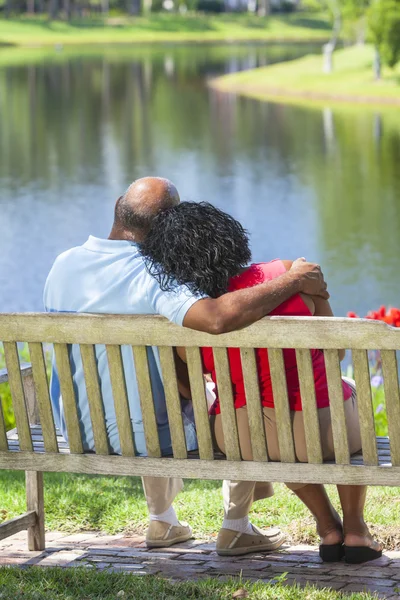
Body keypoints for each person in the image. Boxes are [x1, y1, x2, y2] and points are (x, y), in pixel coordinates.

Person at [43, 177, 327, 556]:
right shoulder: (153, 275)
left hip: (77, 428)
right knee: (236, 396)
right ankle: (236, 526)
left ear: (118, 206)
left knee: (145, 392)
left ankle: (163, 520)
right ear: (169, 225)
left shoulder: (63, 265)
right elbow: (215, 319)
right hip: (145, 436)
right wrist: (291, 280)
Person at [140, 200, 382, 564]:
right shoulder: (287, 273)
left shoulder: (188, 312)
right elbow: (337, 354)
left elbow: (189, 386)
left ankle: (328, 527)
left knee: (274, 434)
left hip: (240, 434)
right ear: (230, 238)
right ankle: (356, 530)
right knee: (342, 392)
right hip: (318, 426)